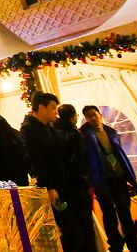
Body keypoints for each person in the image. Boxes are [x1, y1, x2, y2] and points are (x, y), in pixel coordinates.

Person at [21, 92, 90, 252]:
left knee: (81, 233)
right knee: (74, 235)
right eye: (52, 108)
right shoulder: (29, 130)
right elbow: (36, 161)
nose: (55, 112)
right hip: (53, 190)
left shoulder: (50, 127)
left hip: (66, 186)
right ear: (41, 108)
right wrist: (49, 186)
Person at [80, 105, 137, 252]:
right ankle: (116, 245)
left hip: (118, 177)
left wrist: (130, 177)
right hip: (101, 179)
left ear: (100, 115)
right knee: (109, 213)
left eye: (94, 114)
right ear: (86, 119)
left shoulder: (111, 132)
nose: (92, 118)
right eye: (89, 116)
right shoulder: (84, 136)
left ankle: (133, 243)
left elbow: (121, 155)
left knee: (124, 211)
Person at [52, 104, 97, 252]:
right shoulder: (75, 134)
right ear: (73, 117)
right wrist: (85, 180)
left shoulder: (51, 132)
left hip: (61, 189)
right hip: (78, 187)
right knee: (86, 226)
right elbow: (80, 162)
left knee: (71, 229)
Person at [0, 109, 29, 186]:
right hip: (21, 171)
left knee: (9, 192)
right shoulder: (15, 132)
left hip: (3, 172)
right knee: (22, 191)